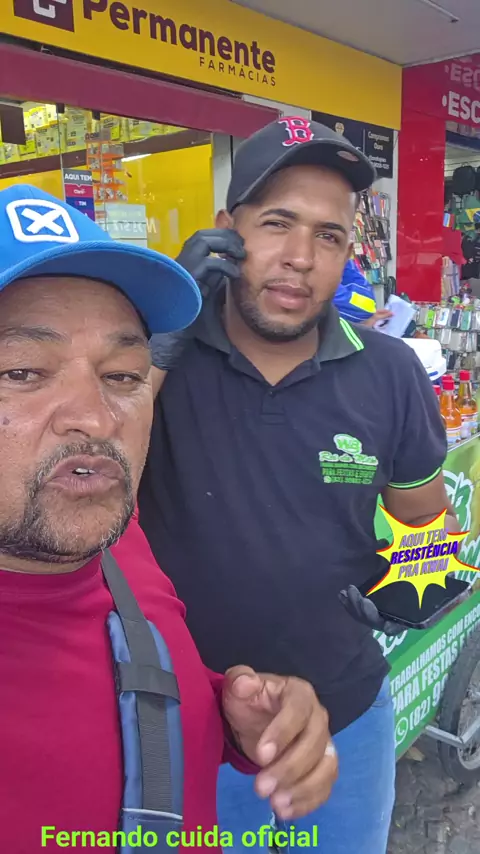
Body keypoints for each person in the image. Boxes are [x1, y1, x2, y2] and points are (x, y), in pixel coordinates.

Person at [138, 117, 458, 854]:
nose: (300, 258)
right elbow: (93, 461)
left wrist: (418, 581)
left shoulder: (390, 372)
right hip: (179, 723)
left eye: (329, 236)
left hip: (346, 718)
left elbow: (427, 521)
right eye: (277, 223)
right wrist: (156, 337)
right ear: (226, 231)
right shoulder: (156, 361)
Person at [0, 184, 338, 854]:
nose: (96, 419)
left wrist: (231, 718)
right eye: (23, 371)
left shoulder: (115, 536)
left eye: (123, 375)